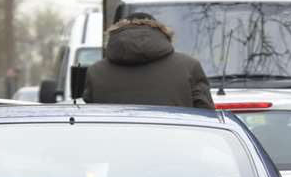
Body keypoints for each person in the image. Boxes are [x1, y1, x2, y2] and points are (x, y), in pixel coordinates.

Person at [81, 16, 214, 108]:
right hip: (176, 146)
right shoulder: (189, 66)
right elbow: (207, 117)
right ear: (164, 35)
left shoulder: (96, 71)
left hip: (114, 146)